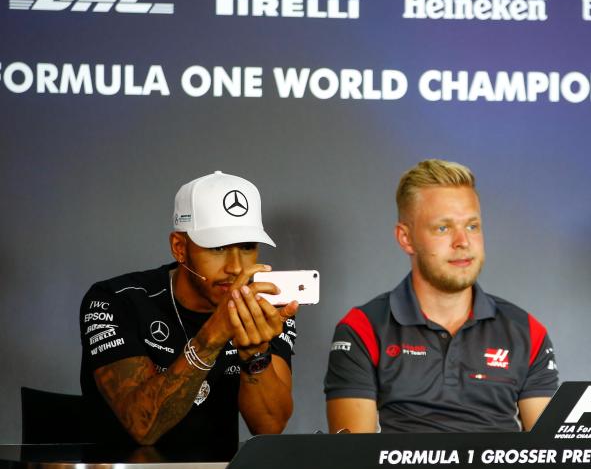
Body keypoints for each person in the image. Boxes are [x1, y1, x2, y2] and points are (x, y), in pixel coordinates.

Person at [324, 159, 559, 433]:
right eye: (443, 228)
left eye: (472, 226)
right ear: (405, 238)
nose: (463, 242)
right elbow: (354, 464)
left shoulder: (528, 332)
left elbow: (549, 459)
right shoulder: (361, 329)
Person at [79, 170, 298, 448]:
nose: (235, 267)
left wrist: (255, 352)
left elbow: (269, 426)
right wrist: (214, 335)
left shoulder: (264, 307)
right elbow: (142, 427)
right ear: (179, 248)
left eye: (246, 247)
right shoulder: (115, 300)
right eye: (217, 248)